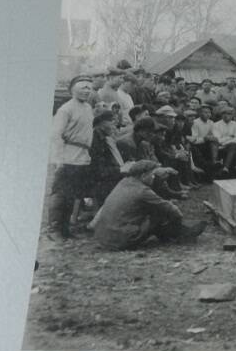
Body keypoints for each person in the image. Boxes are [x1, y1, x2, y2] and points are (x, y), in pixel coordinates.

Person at [93, 160, 207, 250]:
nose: (154, 177)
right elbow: (172, 210)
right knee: (159, 211)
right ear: (143, 175)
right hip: (121, 239)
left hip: (104, 237)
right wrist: (177, 220)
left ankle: (172, 234)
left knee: (151, 210)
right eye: (152, 175)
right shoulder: (142, 191)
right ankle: (181, 233)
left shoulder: (124, 182)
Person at [48, 75, 96, 239]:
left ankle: (65, 228)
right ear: (72, 89)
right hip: (67, 156)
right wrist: (58, 159)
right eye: (83, 87)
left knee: (73, 194)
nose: (86, 90)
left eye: (89, 87)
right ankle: (54, 230)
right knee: (60, 193)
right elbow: (56, 135)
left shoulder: (88, 108)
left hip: (82, 157)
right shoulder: (65, 109)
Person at [89, 110, 126, 206]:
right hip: (97, 181)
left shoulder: (106, 138)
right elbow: (99, 170)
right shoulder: (95, 140)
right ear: (101, 122)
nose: (115, 127)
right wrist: (120, 170)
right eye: (113, 122)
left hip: (106, 175)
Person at [212, 107, 236, 175]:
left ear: (232, 115)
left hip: (229, 145)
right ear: (221, 115)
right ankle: (224, 167)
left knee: (233, 145)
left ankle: (226, 168)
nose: (226, 116)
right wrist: (230, 137)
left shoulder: (235, 124)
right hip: (218, 146)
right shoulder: (216, 124)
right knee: (233, 147)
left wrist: (225, 141)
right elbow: (218, 139)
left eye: (229, 114)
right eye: (224, 114)